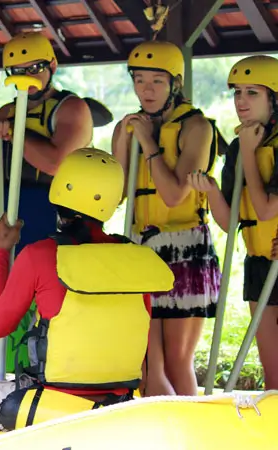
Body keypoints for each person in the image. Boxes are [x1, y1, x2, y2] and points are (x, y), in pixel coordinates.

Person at [0, 148, 174, 432]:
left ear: (59, 191)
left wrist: (2, 251)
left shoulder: (41, 254)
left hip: (50, 404)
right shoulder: (135, 259)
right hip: (116, 405)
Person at [0, 31, 95, 372]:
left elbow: (57, 162)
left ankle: (57, 371)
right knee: (10, 304)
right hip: (14, 213)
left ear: (52, 66)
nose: (25, 78)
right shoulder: (7, 111)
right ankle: (10, 373)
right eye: (16, 71)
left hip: (58, 216)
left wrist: (13, 132)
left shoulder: (72, 108)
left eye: (34, 68)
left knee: (53, 302)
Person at [112, 40, 222, 396]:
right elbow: (119, 195)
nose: (146, 89)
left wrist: (147, 142)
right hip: (140, 245)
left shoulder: (197, 127)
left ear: (175, 83)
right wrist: (127, 138)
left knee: (176, 360)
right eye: (139, 80)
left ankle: (192, 439)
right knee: (144, 363)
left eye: (157, 81)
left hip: (184, 248)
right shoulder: (128, 127)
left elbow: (175, 195)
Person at [188, 55, 278, 390]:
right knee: (274, 376)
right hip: (259, 264)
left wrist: (252, 155)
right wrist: (211, 191)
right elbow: (231, 223)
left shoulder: (250, 148)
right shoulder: (241, 148)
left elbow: (267, 209)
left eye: (252, 92)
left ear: (274, 97)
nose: (241, 100)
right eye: (238, 92)